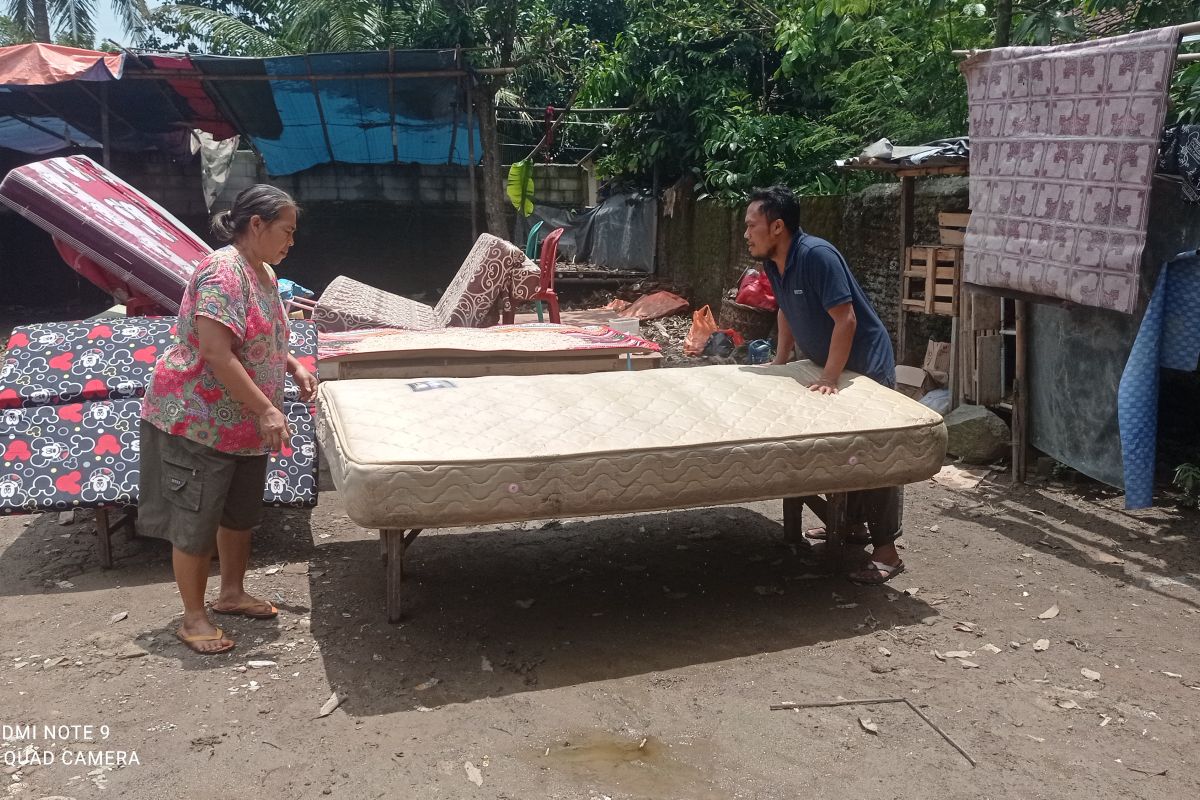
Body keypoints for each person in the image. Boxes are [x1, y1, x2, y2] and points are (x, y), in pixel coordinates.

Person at [138, 185, 318, 654]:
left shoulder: (264, 273)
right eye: (287, 230)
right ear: (255, 225)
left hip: (241, 425)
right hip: (199, 419)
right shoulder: (223, 273)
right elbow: (216, 353)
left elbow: (264, 335)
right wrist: (267, 408)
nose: (291, 241)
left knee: (239, 514)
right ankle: (193, 618)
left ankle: (232, 593)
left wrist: (293, 365)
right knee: (196, 519)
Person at [744, 184, 905, 585]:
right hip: (827, 364)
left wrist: (830, 378)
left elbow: (846, 320)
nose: (746, 233)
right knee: (837, 446)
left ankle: (887, 550)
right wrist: (781, 361)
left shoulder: (818, 256)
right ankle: (851, 527)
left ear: (777, 226)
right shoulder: (772, 262)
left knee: (876, 451)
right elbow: (786, 309)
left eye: (751, 225)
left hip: (865, 366)